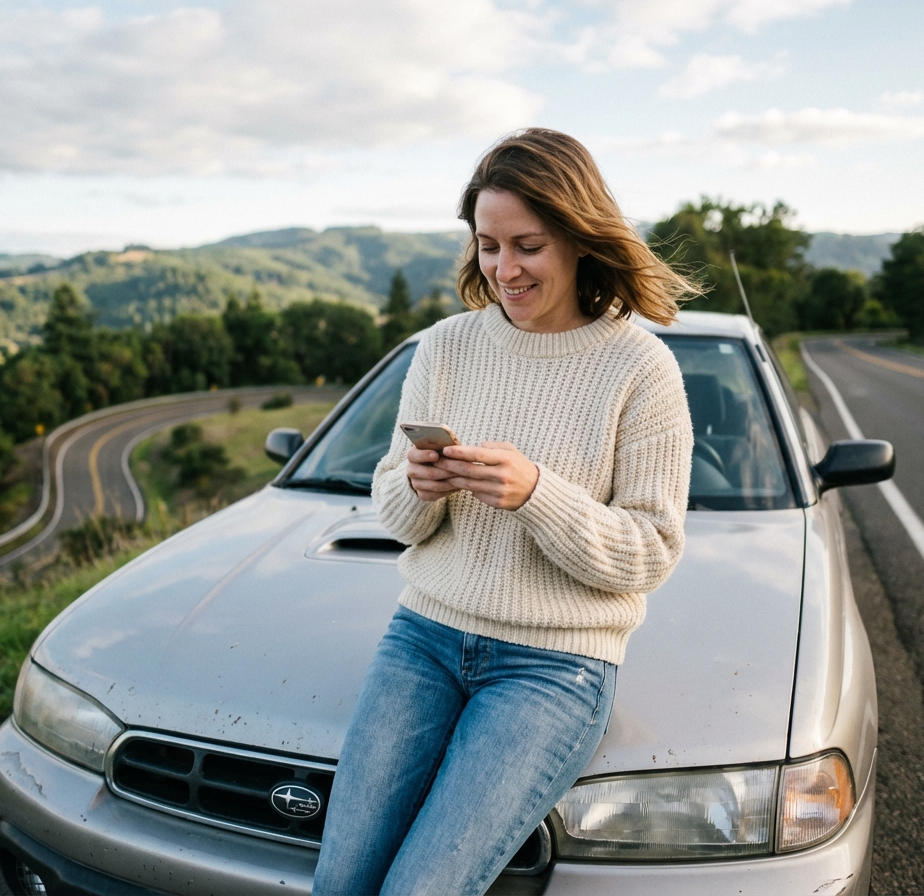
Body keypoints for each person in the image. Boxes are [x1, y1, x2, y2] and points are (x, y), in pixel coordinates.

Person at [311, 128, 700, 896]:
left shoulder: (641, 369)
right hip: (422, 639)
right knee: (341, 883)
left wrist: (537, 494)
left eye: (527, 245)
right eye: (488, 246)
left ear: (580, 239)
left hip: (552, 668)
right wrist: (416, 485)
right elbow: (395, 510)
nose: (504, 269)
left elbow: (652, 551)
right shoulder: (446, 348)